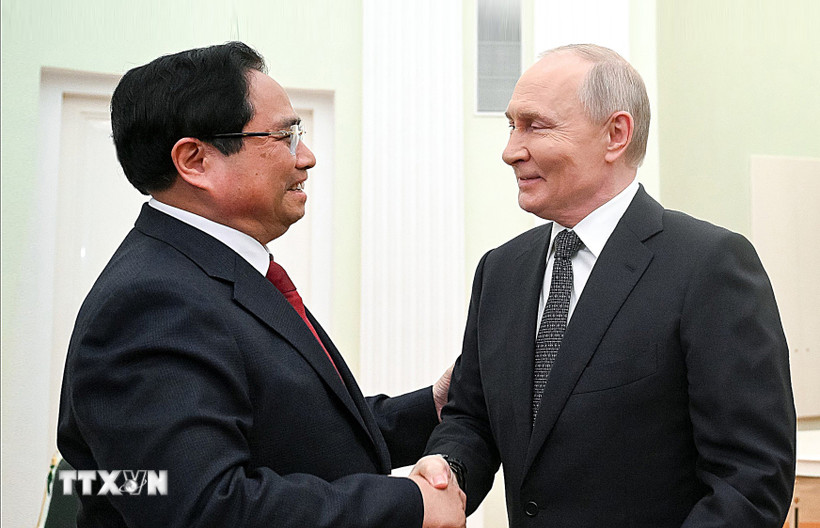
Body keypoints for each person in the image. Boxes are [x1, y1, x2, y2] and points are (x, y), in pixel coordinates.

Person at [57, 42, 465, 528]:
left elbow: (297, 431)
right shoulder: (150, 304)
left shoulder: (207, 273)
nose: (306, 157)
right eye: (285, 136)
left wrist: (432, 405)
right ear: (195, 161)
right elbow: (205, 508)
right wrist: (408, 504)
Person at [417, 44, 796, 527]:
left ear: (615, 135)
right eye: (511, 125)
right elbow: (472, 419)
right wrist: (449, 470)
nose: (511, 150)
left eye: (535, 126)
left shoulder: (709, 266)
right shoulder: (500, 270)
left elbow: (750, 481)